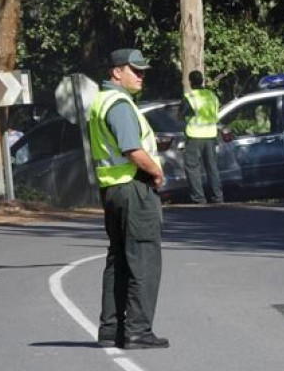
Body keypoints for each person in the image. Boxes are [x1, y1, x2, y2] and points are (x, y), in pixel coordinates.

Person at [88, 48, 169, 350]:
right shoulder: (120, 104)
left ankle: (111, 329)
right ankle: (137, 331)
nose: (141, 76)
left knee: (119, 260)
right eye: (135, 70)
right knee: (144, 259)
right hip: (134, 188)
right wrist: (156, 173)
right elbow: (132, 150)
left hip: (112, 191)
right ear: (116, 72)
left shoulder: (101, 100)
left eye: (143, 70)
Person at [182, 70, 223, 204]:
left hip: (194, 135)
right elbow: (216, 113)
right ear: (202, 81)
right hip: (211, 135)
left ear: (190, 82)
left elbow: (183, 116)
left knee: (192, 167)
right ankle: (217, 197)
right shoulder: (212, 96)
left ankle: (198, 199)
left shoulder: (190, 97)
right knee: (212, 167)